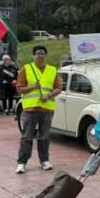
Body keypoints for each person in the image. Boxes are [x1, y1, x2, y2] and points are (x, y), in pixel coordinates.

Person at [15, 46, 62, 174]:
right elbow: (19, 88)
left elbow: (58, 88)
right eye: (37, 53)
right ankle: (22, 162)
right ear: (33, 56)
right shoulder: (26, 69)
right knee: (27, 136)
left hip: (47, 109)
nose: (40, 56)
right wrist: (33, 87)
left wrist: (49, 96)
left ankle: (44, 160)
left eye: (42, 53)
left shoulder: (52, 70)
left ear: (46, 56)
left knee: (44, 136)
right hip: (30, 109)